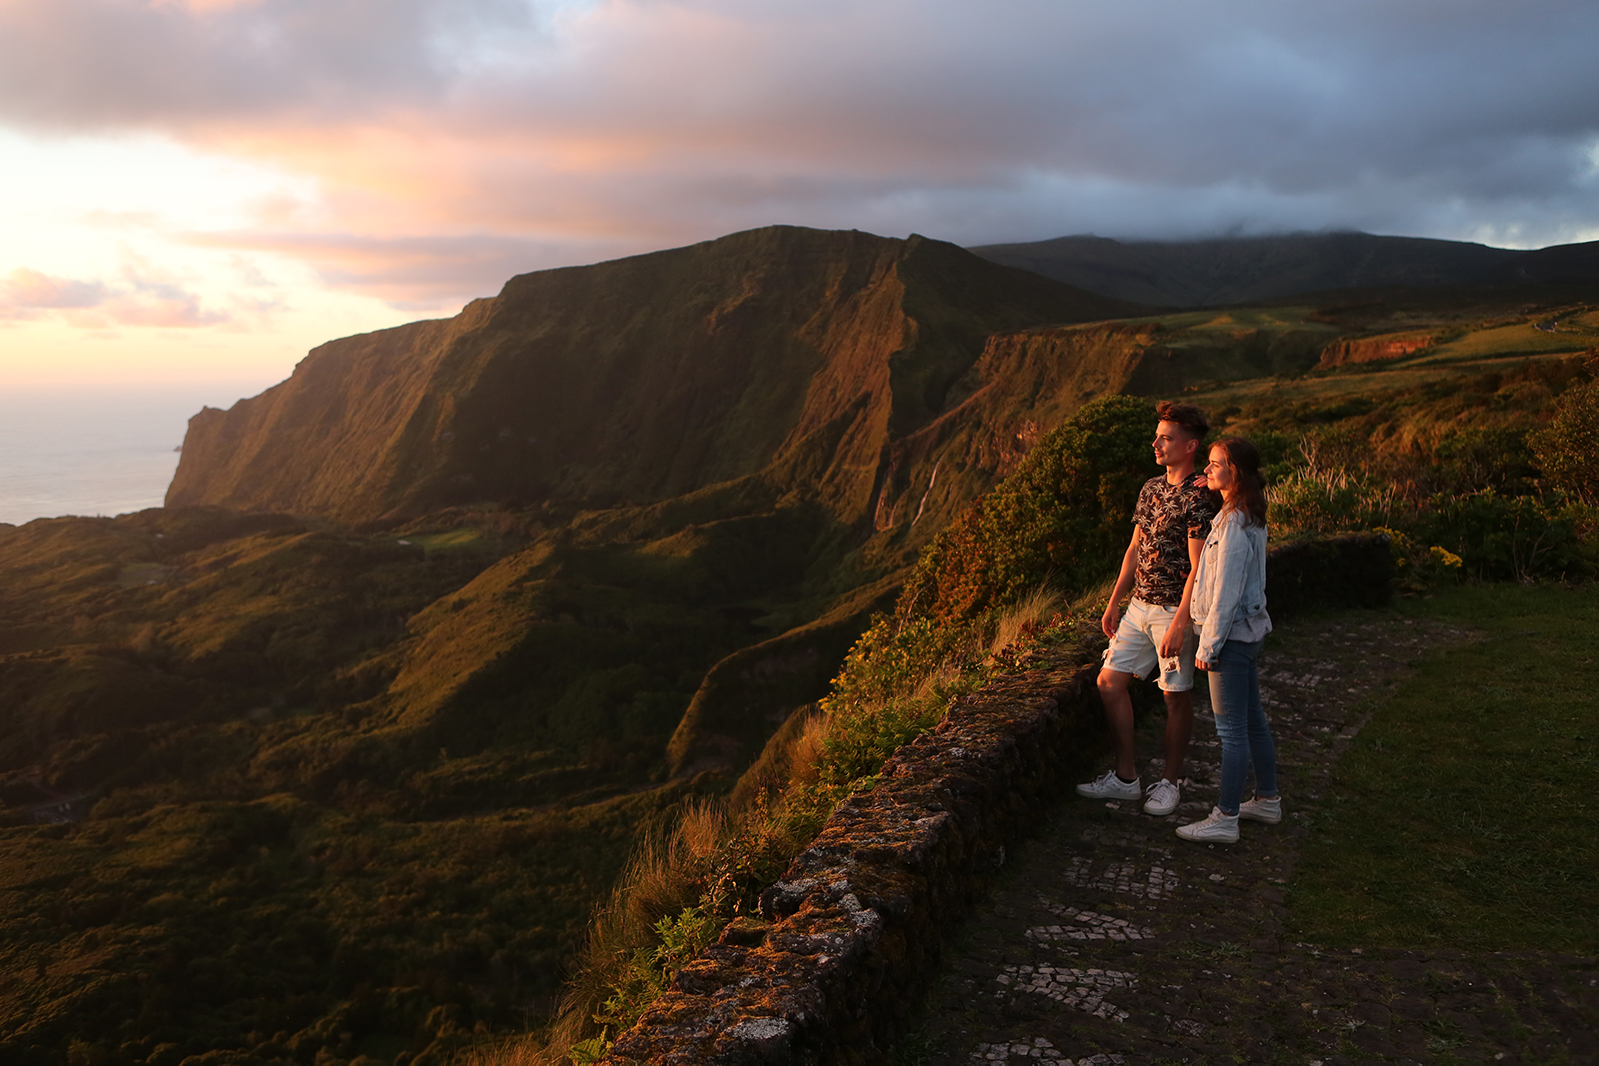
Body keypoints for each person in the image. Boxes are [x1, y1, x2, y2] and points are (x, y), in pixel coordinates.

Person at [1076, 401, 1216, 817]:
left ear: (1190, 446)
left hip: (1174, 611)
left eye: (1166, 438)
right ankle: (1125, 778)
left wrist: (1180, 623)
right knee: (1108, 682)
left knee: (1176, 698)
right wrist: (1115, 601)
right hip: (1139, 607)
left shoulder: (1199, 497)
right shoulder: (1151, 488)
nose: (1156, 443)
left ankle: (1170, 783)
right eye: (1157, 436)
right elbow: (1135, 548)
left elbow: (1197, 568)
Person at [1176, 437, 1280, 844]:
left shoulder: (1234, 523)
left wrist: (1208, 646)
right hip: (1247, 635)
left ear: (1234, 472)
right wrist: (1213, 484)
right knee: (1252, 721)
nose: (1207, 470)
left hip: (1231, 639)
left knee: (1231, 732)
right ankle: (1267, 799)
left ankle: (1225, 817)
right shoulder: (1243, 513)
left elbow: (1226, 592)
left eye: (1216, 465)